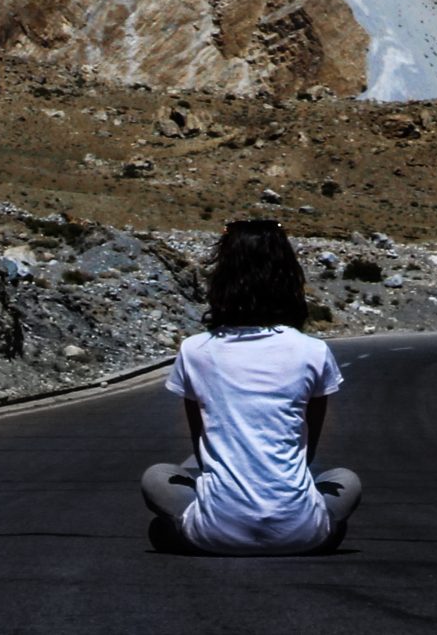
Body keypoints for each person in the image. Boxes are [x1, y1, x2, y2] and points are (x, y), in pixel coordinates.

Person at [142, 219, 362, 554]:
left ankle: (205, 527)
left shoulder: (195, 350)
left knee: (157, 477)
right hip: (301, 532)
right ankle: (308, 526)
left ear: (223, 276)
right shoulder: (313, 351)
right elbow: (308, 450)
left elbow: (201, 448)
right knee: (346, 480)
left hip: (216, 532)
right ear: (289, 276)